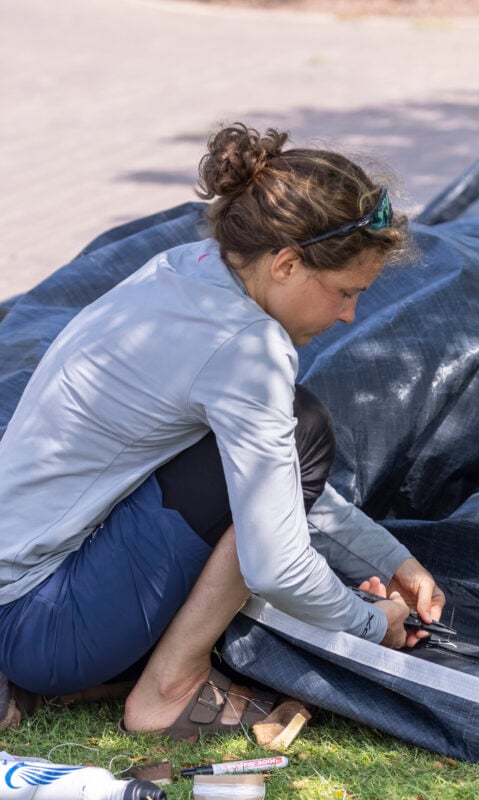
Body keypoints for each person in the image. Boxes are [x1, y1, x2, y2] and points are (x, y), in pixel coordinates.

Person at [0, 123, 445, 739]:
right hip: (41, 625)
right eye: (345, 292)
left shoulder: (189, 267)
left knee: (289, 431)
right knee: (303, 426)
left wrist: (388, 558)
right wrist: (377, 625)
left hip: (23, 597)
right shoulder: (247, 347)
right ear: (287, 263)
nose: (349, 315)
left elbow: (263, 480)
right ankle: (167, 691)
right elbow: (277, 565)